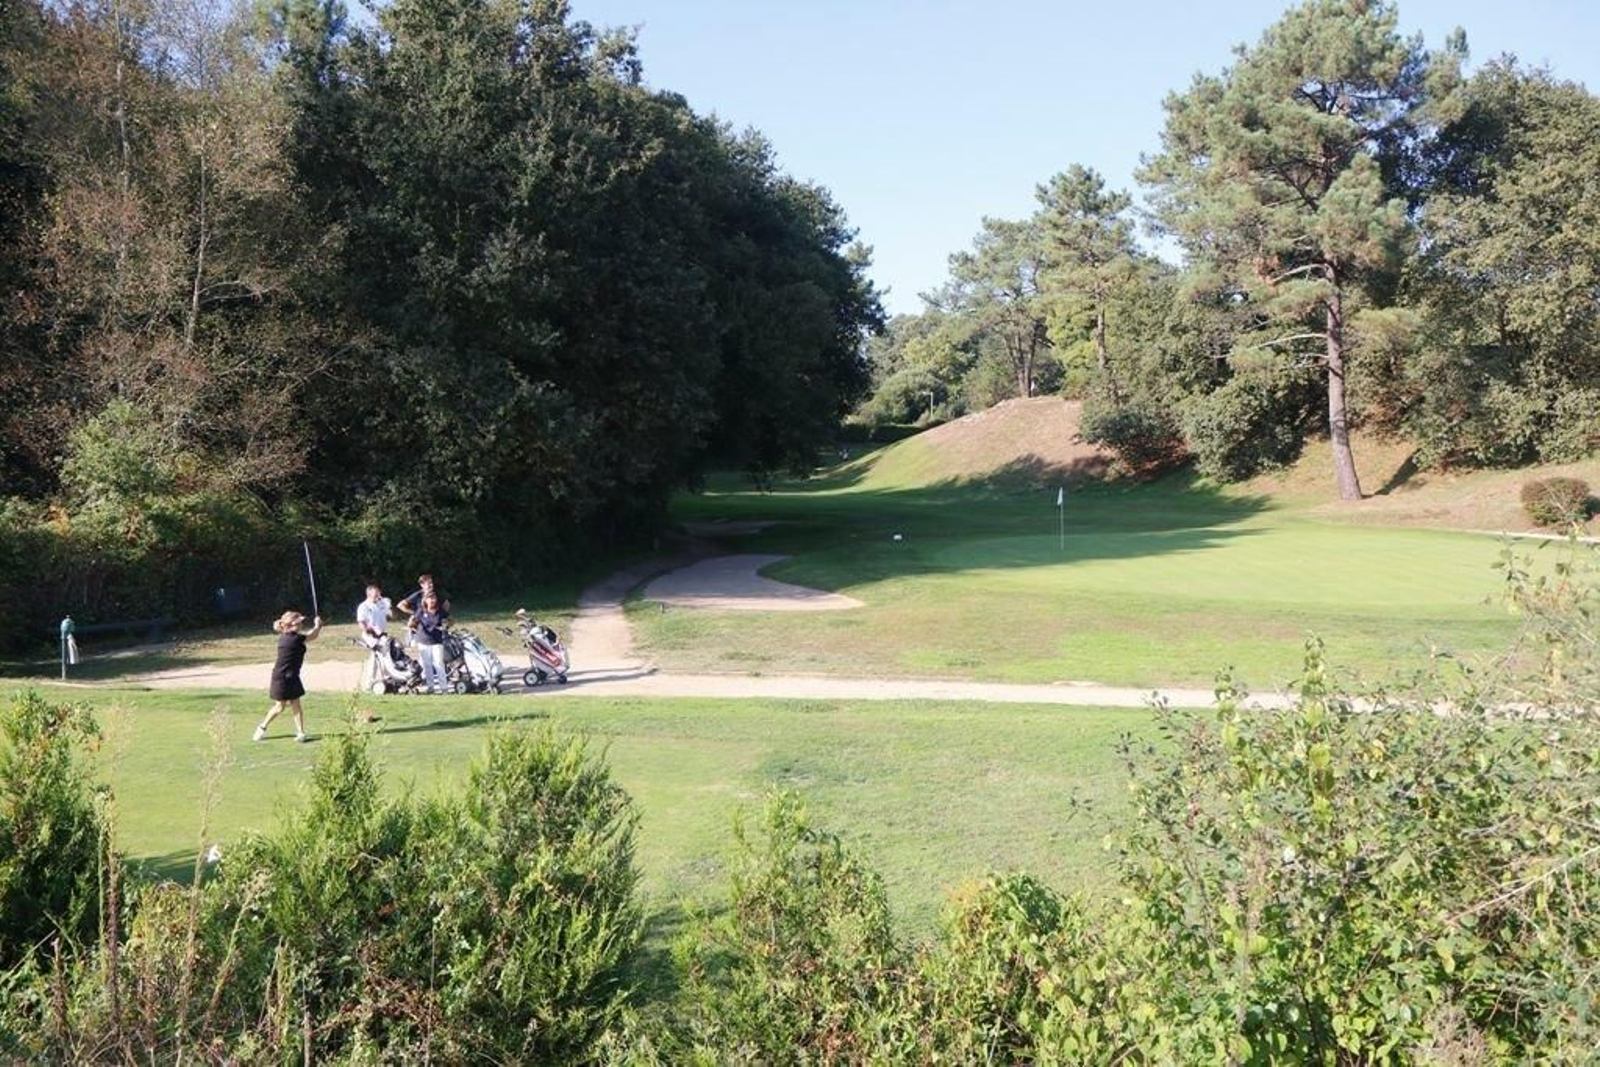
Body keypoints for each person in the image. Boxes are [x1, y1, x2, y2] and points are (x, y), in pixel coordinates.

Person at [255, 610, 323, 742]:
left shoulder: (291, 636)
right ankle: (262, 727)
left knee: (296, 703)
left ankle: (301, 733)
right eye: (299, 622)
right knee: (280, 707)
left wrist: (317, 627)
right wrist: (317, 626)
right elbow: (312, 636)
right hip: (282, 677)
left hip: (291, 676)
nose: (302, 624)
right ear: (292, 625)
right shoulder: (293, 639)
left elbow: (310, 636)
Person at [409, 592, 451, 694]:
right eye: (430, 599)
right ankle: (430, 687)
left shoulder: (440, 611)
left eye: (434, 598)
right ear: (425, 600)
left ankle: (444, 688)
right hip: (423, 641)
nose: (432, 601)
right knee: (427, 665)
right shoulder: (421, 611)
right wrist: (416, 629)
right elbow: (412, 623)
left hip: (437, 640)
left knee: (439, 664)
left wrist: (445, 626)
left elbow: (450, 620)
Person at [355, 583, 392, 690]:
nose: (378, 595)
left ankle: (385, 679)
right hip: (370, 635)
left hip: (382, 635)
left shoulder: (381, 604)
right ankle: (369, 683)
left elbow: (391, 615)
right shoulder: (364, 606)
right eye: (376, 593)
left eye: (379, 593)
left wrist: (388, 606)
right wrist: (368, 631)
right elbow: (361, 622)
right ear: (369, 594)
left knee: (381, 657)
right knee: (378, 655)